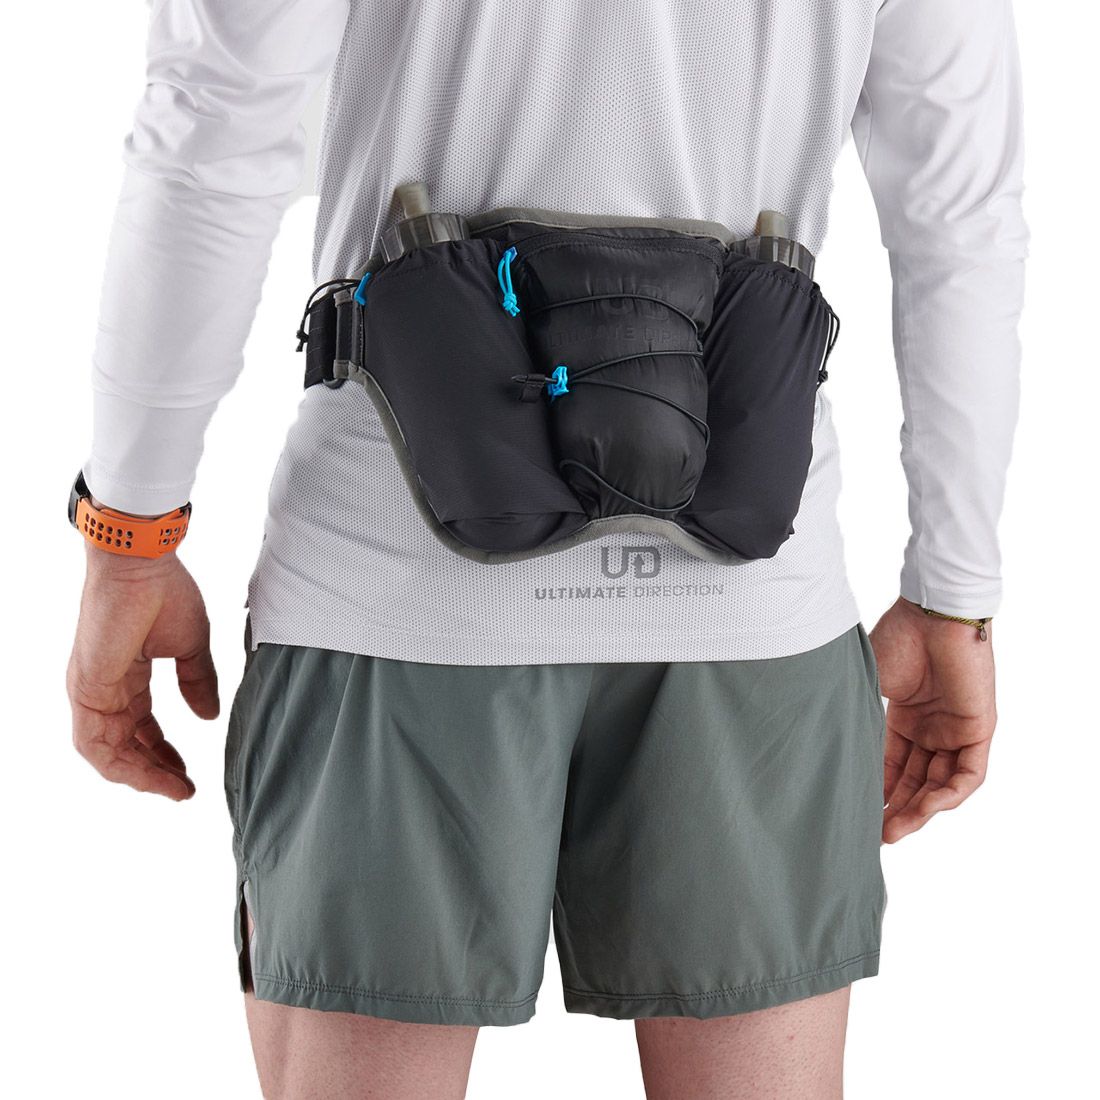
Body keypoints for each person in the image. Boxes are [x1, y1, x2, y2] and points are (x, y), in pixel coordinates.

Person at [65, 0, 1027, 1096]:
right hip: (747, 605)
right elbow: (960, 219)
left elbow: (211, 142)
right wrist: (953, 593)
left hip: (396, 597)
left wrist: (132, 536)